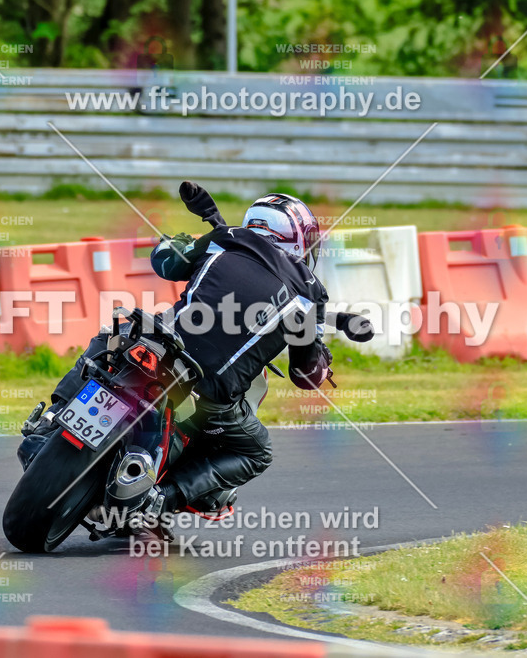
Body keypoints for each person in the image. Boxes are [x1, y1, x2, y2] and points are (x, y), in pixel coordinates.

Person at [24, 182, 333, 538]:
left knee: (111, 339)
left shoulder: (226, 238)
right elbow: (306, 375)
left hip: (159, 345)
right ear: (295, 238)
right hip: (210, 390)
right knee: (257, 452)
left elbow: (166, 263)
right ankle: (161, 500)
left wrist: (178, 242)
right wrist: (322, 360)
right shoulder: (309, 293)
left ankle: (51, 418)